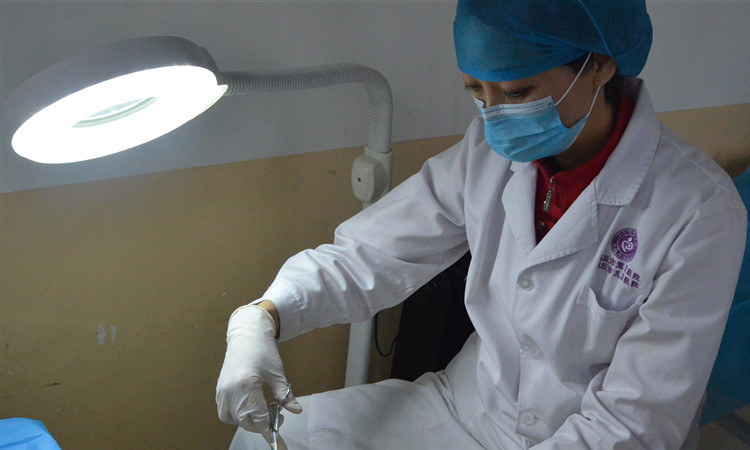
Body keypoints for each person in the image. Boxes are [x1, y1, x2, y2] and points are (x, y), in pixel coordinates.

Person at [216, 1, 747, 448]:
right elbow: (369, 256)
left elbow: (633, 425)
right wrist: (263, 317)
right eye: (477, 92)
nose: (493, 118)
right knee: (268, 442)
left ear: (601, 65)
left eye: (516, 93)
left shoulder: (698, 209)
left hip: (589, 439)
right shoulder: (486, 155)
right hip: (465, 410)